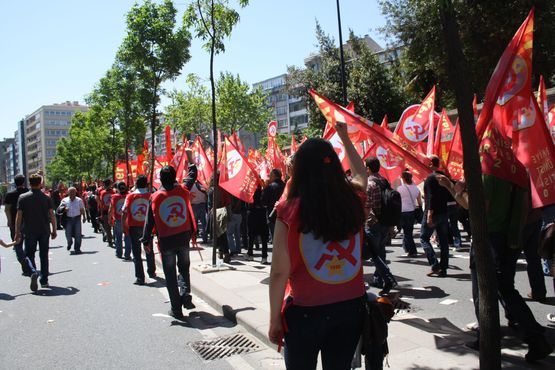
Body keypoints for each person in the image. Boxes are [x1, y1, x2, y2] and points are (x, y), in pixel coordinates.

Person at [268, 122, 367, 370]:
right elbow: (361, 176)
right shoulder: (354, 199)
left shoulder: (287, 209)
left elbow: (279, 271)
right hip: (351, 307)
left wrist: (274, 319)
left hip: (306, 311)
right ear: (334, 164)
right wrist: (344, 137)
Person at [467, 173, 552, 362]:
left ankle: (488, 338)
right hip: (512, 235)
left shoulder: (489, 173)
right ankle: (533, 334)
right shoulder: (517, 170)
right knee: (506, 287)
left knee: (487, 290)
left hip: (490, 236)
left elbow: (480, 208)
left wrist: (454, 188)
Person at [141, 160, 197, 320]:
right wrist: (191, 163)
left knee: (170, 275)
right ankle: (185, 293)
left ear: (160, 179)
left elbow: (148, 221)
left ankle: (176, 309)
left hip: (166, 240)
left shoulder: (155, 197)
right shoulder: (183, 191)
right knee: (184, 268)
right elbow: (191, 177)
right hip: (183, 236)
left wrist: (146, 240)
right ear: (174, 178)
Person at [15, 173, 57, 290]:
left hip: (29, 231)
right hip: (44, 230)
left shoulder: (23, 198)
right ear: (41, 183)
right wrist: (54, 229)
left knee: (29, 254)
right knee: (44, 255)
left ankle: (33, 271)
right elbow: (52, 215)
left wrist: (17, 231)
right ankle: (44, 280)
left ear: (29, 183)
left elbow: (19, 216)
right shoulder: (46, 198)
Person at [364, 156, 398, 292]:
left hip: (374, 222)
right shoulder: (384, 181)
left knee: (373, 252)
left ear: (368, 168)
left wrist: (362, 221)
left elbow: (367, 206)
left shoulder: (369, 184)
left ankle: (386, 278)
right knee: (380, 251)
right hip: (385, 221)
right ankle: (379, 278)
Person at [420, 156, 451, 277]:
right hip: (444, 212)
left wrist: (429, 214)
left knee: (423, 238)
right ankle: (443, 268)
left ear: (431, 163)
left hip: (433, 212)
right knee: (443, 241)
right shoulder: (444, 177)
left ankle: (434, 264)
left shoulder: (430, 178)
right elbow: (449, 195)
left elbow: (431, 197)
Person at [122, 175, 155, 285]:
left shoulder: (130, 196)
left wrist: (123, 225)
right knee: (149, 249)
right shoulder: (151, 195)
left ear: (136, 183)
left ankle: (140, 278)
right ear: (147, 184)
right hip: (148, 226)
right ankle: (151, 271)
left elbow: (124, 211)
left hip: (134, 226)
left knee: (136, 253)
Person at [3, 174, 33, 275]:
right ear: (23, 182)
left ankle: (24, 262)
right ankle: (30, 265)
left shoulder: (9, 194)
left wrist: (9, 220)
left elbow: (7, 209)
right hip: (28, 222)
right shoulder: (28, 192)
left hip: (15, 223)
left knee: (17, 244)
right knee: (28, 245)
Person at [396, 170, 422, 257]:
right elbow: (419, 202)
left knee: (407, 232)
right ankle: (406, 248)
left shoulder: (400, 189)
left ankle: (412, 250)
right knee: (409, 231)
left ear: (403, 178)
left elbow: (397, 200)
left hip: (402, 212)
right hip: (412, 212)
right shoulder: (416, 188)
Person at [57, 187, 86, 255]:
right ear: (68, 192)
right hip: (68, 219)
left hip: (77, 218)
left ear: (76, 192)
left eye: (73, 192)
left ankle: (77, 248)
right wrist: (64, 209)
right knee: (68, 234)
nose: (72, 193)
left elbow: (82, 209)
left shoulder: (79, 200)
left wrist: (84, 217)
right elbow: (59, 209)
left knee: (78, 234)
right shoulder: (64, 200)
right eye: (71, 192)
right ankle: (69, 243)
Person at [246, 185, 269, 263]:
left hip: (252, 214)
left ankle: (250, 255)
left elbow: (248, 204)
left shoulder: (250, 193)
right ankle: (264, 257)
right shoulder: (264, 192)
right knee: (264, 238)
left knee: (251, 236)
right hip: (262, 215)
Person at [110, 182, 132, 260]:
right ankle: (127, 254)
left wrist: (110, 219)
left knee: (118, 237)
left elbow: (111, 209)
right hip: (127, 219)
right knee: (128, 237)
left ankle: (119, 253)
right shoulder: (129, 195)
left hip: (118, 219)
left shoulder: (114, 197)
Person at [262, 169, 286, 240]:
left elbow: (263, 201)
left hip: (272, 215)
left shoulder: (269, 187)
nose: (269, 177)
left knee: (275, 238)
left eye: (270, 175)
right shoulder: (286, 186)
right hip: (285, 215)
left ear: (274, 176)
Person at [98, 178, 114, 248]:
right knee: (113, 227)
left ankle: (110, 241)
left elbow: (101, 204)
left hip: (105, 211)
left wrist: (101, 213)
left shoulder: (102, 192)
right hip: (114, 212)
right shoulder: (114, 191)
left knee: (107, 228)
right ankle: (114, 239)